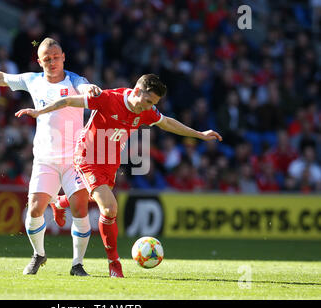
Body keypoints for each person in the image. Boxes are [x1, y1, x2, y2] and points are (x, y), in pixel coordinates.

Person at [16, 74, 223, 277]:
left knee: (93, 198)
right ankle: (114, 263)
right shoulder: (108, 98)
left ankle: (61, 202)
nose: (149, 107)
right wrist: (40, 111)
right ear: (136, 91)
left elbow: (167, 123)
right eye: (148, 100)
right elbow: (69, 100)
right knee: (109, 207)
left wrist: (199, 134)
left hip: (109, 163)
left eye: (154, 103)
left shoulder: (146, 111)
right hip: (87, 157)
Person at [0, 38, 102, 276]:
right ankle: (38, 255)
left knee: (80, 209)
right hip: (45, 159)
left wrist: (91, 89)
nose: (52, 62)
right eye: (47, 59)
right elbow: (0, 77)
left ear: (63, 57)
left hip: (75, 160)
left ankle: (77, 264)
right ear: (40, 61)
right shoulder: (33, 80)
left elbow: (86, 88)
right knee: (34, 209)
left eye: (56, 57)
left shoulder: (75, 80)